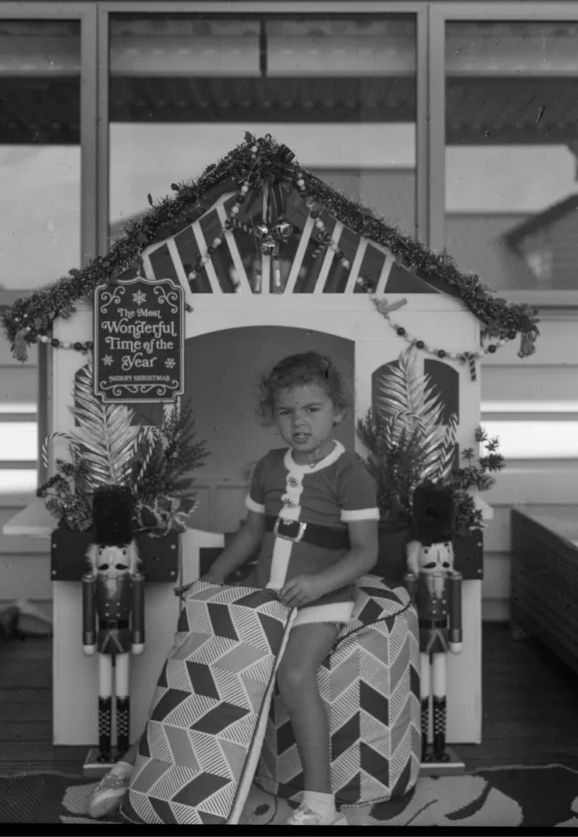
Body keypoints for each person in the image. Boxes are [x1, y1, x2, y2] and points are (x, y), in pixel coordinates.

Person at [199, 351, 379, 826]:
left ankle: (321, 804)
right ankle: (149, 766)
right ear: (273, 415)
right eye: (286, 411)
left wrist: (319, 582)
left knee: (296, 675)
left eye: (312, 409)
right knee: (213, 662)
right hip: (267, 601)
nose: (299, 422)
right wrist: (212, 579)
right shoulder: (269, 466)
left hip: (323, 601)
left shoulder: (350, 474)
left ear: (337, 411)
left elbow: (365, 553)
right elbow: (250, 534)